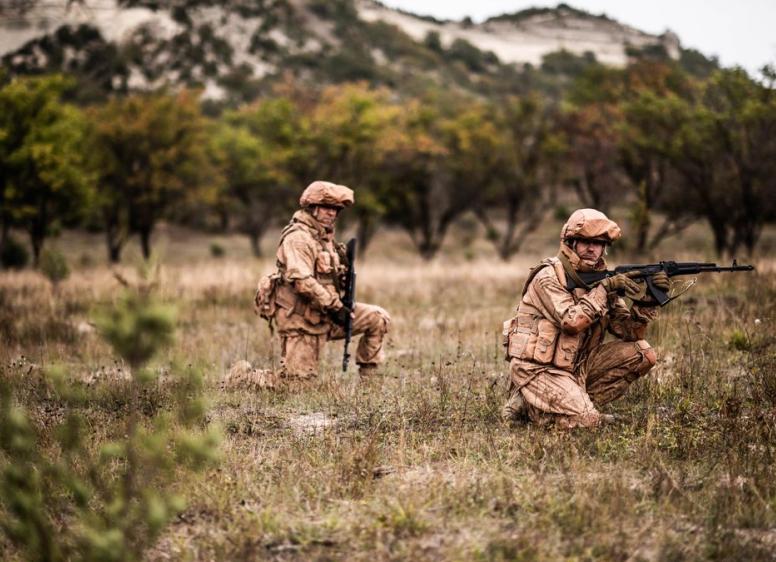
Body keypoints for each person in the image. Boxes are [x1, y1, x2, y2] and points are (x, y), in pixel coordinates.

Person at [501, 208, 668, 428]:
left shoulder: (603, 280)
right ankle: (535, 407)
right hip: (538, 370)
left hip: (577, 368)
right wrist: (604, 290)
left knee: (643, 354)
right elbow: (571, 322)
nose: (592, 248)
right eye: (585, 242)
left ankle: (562, 404)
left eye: (598, 243)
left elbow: (629, 332)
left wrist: (647, 302)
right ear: (571, 243)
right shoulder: (548, 276)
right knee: (588, 420)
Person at [257, 180, 390, 383]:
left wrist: (342, 283)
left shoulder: (325, 239)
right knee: (297, 386)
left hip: (326, 315)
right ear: (312, 208)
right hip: (302, 320)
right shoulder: (298, 238)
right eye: (327, 207)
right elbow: (302, 281)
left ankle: (370, 382)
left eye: (336, 209)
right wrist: (336, 307)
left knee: (378, 318)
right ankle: (245, 379)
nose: (332, 213)